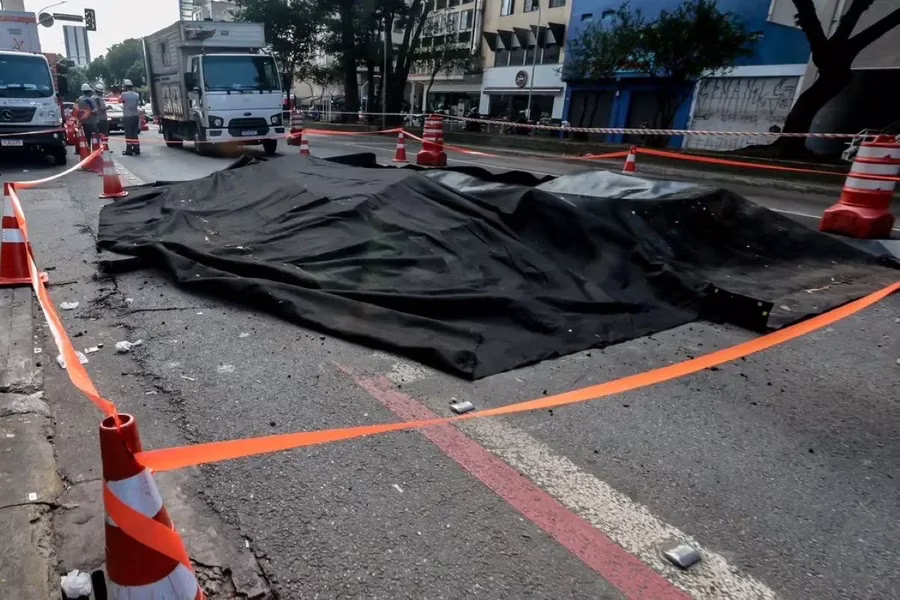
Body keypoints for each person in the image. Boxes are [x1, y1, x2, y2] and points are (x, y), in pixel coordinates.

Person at [121, 79, 141, 156]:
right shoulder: (136, 95)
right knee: (135, 133)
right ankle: (137, 149)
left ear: (125, 87)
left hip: (127, 116)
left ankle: (129, 150)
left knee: (128, 133)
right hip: (135, 115)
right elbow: (137, 104)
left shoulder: (124, 94)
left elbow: (119, 100)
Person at [76, 83, 99, 149]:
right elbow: (95, 110)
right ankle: (94, 149)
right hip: (91, 121)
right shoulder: (89, 100)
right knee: (94, 137)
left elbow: (75, 110)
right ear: (89, 91)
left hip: (83, 121)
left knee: (86, 136)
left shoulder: (78, 100)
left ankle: (87, 149)